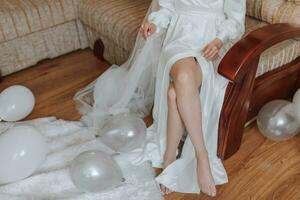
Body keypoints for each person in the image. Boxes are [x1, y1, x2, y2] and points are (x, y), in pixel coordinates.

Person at [74, 0, 245, 197]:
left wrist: (218, 41)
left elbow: (235, 20)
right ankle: (202, 156)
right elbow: (167, 8)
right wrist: (155, 24)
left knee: (174, 93)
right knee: (183, 77)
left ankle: (169, 158)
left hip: (211, 43)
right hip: (179, 38)